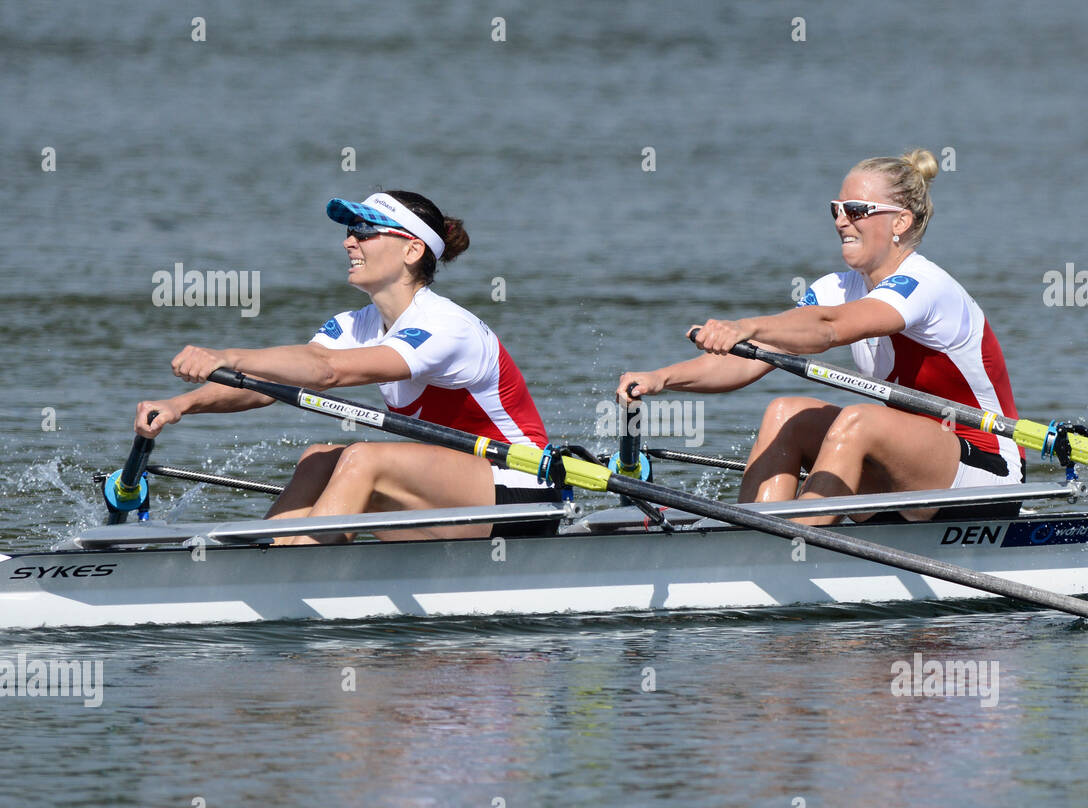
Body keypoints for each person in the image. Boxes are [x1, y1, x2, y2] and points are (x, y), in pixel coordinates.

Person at [617, 150, 1023, 524]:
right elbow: (752, 355)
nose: (841, 219)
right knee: (785, 413)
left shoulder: (925, 284)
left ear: (900, 221)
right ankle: (752, 538)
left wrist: (748, 325)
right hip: (908, 475)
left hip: (985, 469)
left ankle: (792, 545)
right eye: (837, 208)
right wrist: (662, 379)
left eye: (857, 210)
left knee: (859, 420)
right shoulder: (838, 288)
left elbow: (829, 329)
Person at [134, 190, 558, 542]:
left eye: (366, 231)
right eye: (350, 231)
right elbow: (266, 382)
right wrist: (182, 404)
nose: (349, 241)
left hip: (520, 491)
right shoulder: (357, 324)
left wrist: (229, 355)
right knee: (320, 458)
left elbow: (327, 371)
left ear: (412, 250)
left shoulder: (446, 325)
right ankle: (263, 555)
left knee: (363, 458)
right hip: (457, 494)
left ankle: (292, 571)